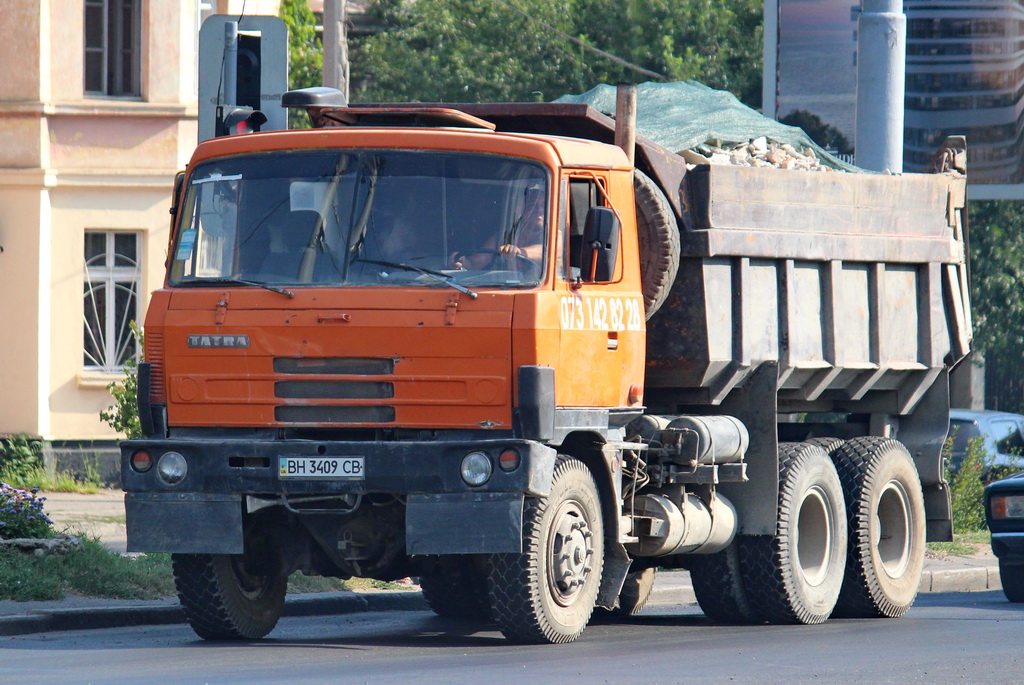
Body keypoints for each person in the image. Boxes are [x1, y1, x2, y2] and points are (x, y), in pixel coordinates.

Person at [450, 183, 545, 270]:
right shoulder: (504, 236)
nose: (539, 210)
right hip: (505, 286)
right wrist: (462, 262)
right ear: (521, 209)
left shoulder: (555, 236)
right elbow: (482, 259)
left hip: (538, 288)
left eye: (543, 206)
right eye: (533, 205)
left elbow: (544, 252)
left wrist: (519, 252)